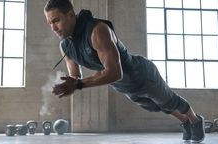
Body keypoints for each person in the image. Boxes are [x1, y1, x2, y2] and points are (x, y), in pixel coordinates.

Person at [44, 0, 205, 142]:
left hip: (142, 75)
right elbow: (75, 76)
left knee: (168, 100)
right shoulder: (65, 45)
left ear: (71, 15)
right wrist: (67, 84)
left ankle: (195, 120)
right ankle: (185, 121)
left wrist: (78, 84)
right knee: (157, 105)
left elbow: (115, 72)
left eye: (56, 20)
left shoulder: (97, 30)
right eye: (50, 23)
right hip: (123, 86)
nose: (53, 28)